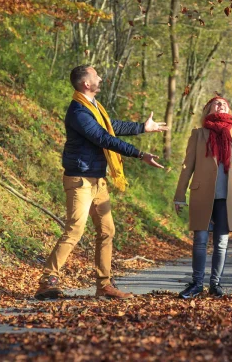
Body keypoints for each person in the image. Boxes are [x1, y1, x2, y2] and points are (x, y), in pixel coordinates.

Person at [35, 65, 167, 300]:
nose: (101, 78)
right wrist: (139, 154)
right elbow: (103, 138)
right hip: (80, 179)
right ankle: (48, 281)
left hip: (98, 179)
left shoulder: (94, 108)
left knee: (107, 231)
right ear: (86, 83)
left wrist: (142, 128)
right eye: (96, 76)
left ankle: (104, 285)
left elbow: (111, 126)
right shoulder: (78, 112)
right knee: (75, 229)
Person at [173, 96, 232, 299]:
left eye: (224, 103)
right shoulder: (198, 135)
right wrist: (179, 195)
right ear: (208, 110)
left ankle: (215, 284)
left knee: (222, 242)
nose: (221, 105)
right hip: (202, 194)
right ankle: (197, 283)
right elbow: (186, 166)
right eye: (216, 103)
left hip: (227, 197)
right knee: (200, 240)